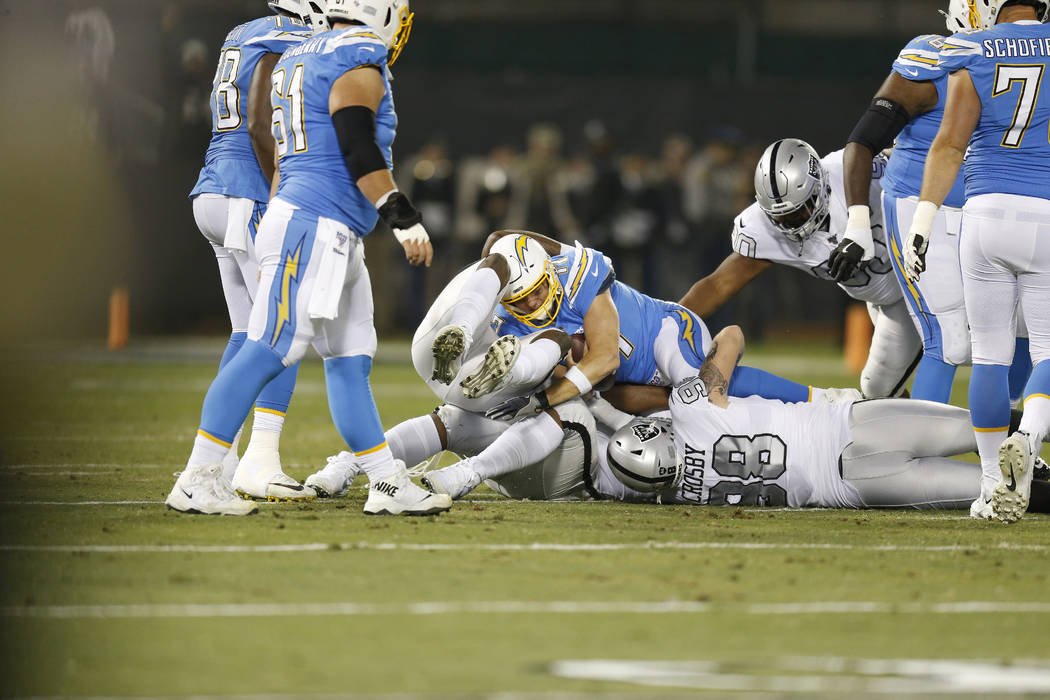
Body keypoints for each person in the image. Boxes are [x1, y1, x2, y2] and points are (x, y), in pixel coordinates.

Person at [166, 0, 451, 516]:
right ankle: (198, 477)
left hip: (323, 224)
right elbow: (356, 143)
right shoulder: (356, 57)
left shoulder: (299, 54)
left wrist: (280, 209)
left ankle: (387, 483)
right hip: (315, 225)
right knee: (267, 347)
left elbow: (279, 147)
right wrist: (401, 214)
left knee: (349, 359)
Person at [594, 325, 1050, 512]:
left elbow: (609, 479)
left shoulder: (676, 500)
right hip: (844, 425)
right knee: (995, 426)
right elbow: (731, 337)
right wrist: (683, 373)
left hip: (853, 489)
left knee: (1006, 492)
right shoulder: (689, 410)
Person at [832, 0, 1032, 404]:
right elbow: (863, 141)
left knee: (1021, 331)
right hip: (921, 209)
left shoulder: (1028, 64)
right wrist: (857, 224)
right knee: (950, 341)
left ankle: (1013, 444)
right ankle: (920, 455)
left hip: (986, 211)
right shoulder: (933, 60)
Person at [904, 0, 1050, 522]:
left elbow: (948, 146)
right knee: (1047, 349)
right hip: (1046, 212)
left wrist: (921, 225)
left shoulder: (975, 48)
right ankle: (1028, 440)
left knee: (988, 353)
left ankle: (991, 488)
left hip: (983, 212)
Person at [478, 231, 833, 425]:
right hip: (630, 384)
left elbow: (603, 359)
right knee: (669, 414)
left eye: (538, 288)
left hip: (667, 330)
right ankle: (808, 406)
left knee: (704, 408)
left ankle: (820, 402)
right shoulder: (507, 321)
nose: (533, 302)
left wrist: (541, 401)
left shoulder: (575, 272)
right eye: (520, 299)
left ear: (548, 271)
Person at [182, 2, 313, 502]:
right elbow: (261, 121)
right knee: (284, 328)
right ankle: (260, 459)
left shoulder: (243, 30)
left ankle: (219, 461)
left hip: (213, 191)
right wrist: (282, 185)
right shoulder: (287, 37)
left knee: (247, 332)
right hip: (248, 192)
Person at [679, 138, 922, 399]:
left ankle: (959, 433)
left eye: (798, 212)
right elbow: (719, 284)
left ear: (820, 186)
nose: (790, 225)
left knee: (884, 386)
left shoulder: (853, 172)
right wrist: (667, 322)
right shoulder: (764, 228)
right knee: (888, 392)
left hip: (918, 282)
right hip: (880, 298)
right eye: (780, 217)